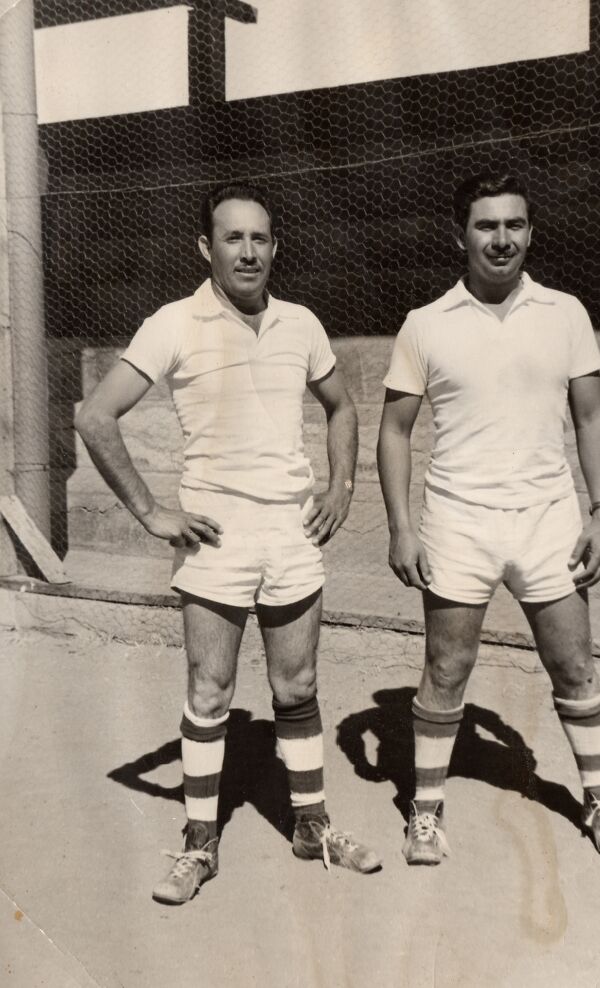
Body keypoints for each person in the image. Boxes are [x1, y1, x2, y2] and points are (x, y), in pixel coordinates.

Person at [76, 182, 381, 904]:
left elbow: (341, 407)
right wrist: (151, 512)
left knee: (296, 688)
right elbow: (95, 417)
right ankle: (198, 843)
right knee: (210, 691)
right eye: (233, 238)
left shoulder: (301, 323)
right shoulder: (173, 323)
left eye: (260, 238)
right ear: (205, 248)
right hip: (217, 537)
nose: (248, 251)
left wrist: (340, 488)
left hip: (292, 533)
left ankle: (312, 825)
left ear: (275, 246)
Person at [377, 170, 600, 866]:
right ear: (459, 234)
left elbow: (591, 417)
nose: (502, 239)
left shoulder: (565, 313)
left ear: (530, 231)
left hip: (547, 520)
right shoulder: (426, 325)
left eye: (514, 225)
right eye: (487, 226)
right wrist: (402, 526)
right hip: (458, 522)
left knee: (573, 665)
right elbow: (394, 431)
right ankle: (425, 812)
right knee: (445, 666)